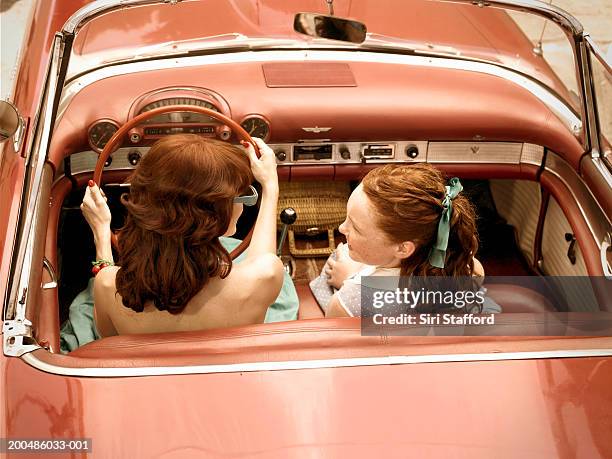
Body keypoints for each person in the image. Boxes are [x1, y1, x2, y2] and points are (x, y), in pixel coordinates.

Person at [78, 134, 293, 338]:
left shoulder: (106, 285)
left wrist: (101, 233)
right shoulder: (264, 278)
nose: (242, 203)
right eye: (238, 195)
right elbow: (262, 258)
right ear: (212, 215)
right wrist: (270, 185)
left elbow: (106, 336)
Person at [310, 163, 500, 317]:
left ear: (403, 248)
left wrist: (349, 280)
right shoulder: (466, 268)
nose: (342, 228)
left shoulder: (347, 303)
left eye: (356, 227)